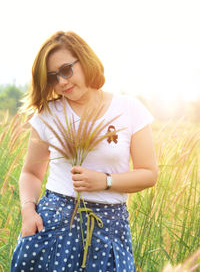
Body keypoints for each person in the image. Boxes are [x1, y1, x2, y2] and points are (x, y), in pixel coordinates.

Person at [11, 31, 158, 272]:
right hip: (54, 225)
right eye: (51, 78)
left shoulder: (129, 109)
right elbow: (31, 173)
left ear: (85, 60)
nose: (61, 82)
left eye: (66, 70)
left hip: (110, 227)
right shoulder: (48, 114)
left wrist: (105, 181)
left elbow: (149, 173)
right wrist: (28, 211)